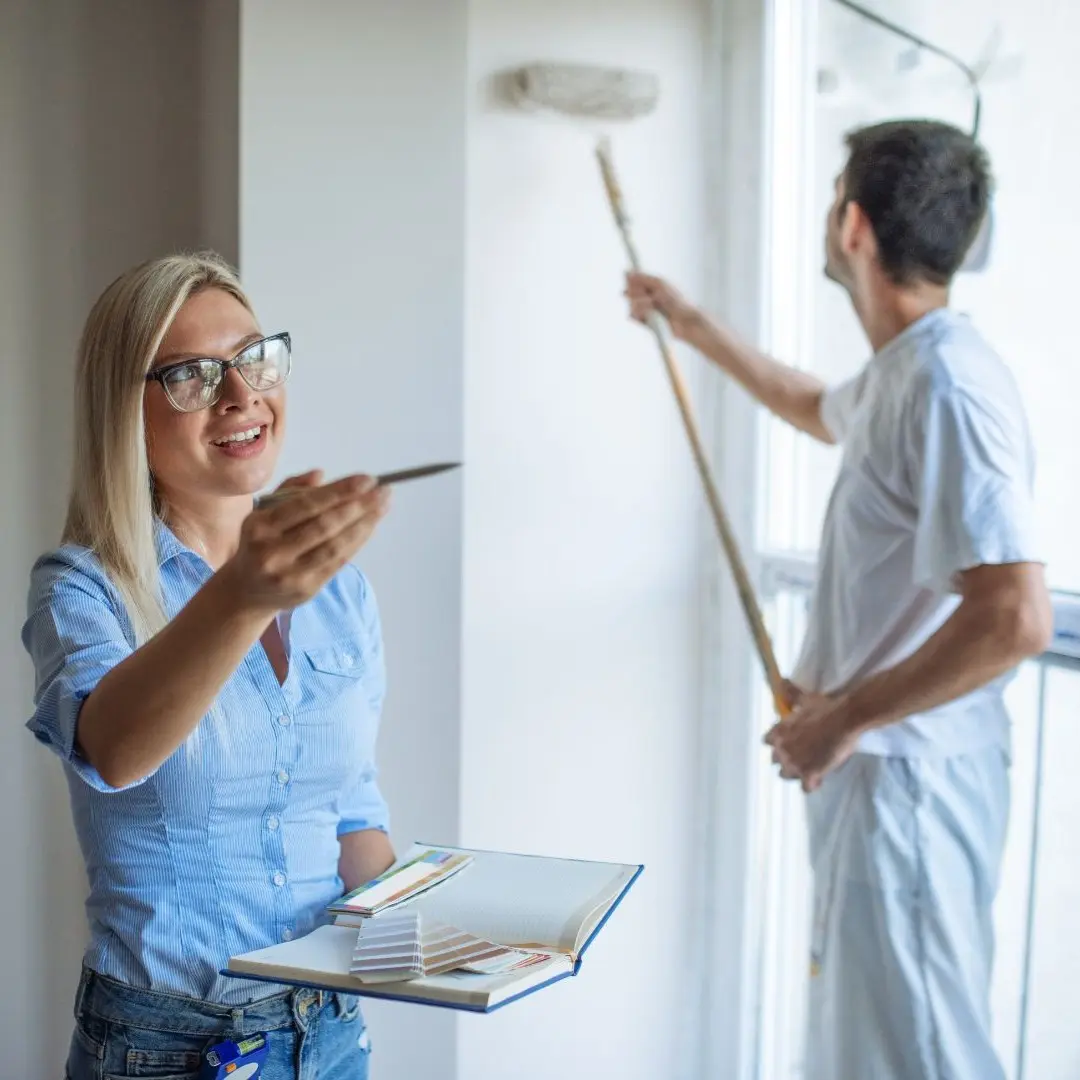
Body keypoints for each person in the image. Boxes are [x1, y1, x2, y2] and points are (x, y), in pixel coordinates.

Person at [626, 119, 1053, 1079]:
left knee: (927, 1053)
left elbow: (1015, 617)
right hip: (878, 773)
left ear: (852, 224)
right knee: (873, 1047)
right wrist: (687, 323)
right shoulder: (908, 373)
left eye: (832, 197)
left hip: (910, 781)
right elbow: (813, 405)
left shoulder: (948, 384)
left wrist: (842, 719)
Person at [23, 252, 395, 1079]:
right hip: (166, 1049)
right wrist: (245, 593)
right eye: (192, 375)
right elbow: (113, 750)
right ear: (125, 408)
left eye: (254, 356)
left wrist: (441, 930)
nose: (241, 394)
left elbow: (352, 823)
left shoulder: (342, 591)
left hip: (329, 1033)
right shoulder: (83, 589)